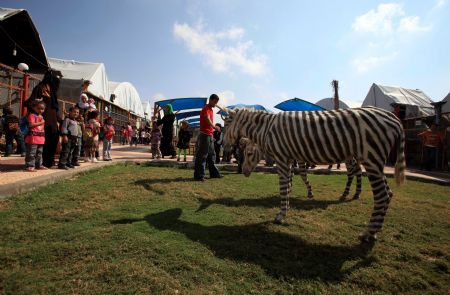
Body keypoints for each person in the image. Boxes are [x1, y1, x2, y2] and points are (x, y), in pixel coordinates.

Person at [27, 70, 61, 168]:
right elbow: (31, 102)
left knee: (52, 140)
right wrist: (37, 111)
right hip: (43, 121)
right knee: (42, 144)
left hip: (53, 121)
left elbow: (54, 107)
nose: (58, 81)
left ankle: (48, 162)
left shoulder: (52, 90)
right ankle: (39, 163)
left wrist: (59, 119)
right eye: (57, 79)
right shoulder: (40, 88)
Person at [194, 94, 222, 181]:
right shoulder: (205, 108)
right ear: (210, 100)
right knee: (202, 156)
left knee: (211, 156)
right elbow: (207, 118)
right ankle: (199, 176)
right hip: (204, 135)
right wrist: (214, 127)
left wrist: (212, 129)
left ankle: (214, 174)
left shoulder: (211, 110)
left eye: (217, 102)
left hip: (210, 135)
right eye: (215, 102)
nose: (216, 104)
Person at [24, 101, 47, 172]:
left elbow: (42, 128)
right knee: (32, 152)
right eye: (38, 108)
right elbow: (30, 125)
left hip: (40, 138)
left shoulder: (41, 116)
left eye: (42, 109)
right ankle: (30, 166)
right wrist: (41, 122)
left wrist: (44, 136)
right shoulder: (32, 115)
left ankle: (38, 165)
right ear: (34, 108)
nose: (40, 110)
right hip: (33, 137)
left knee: (39, 152)